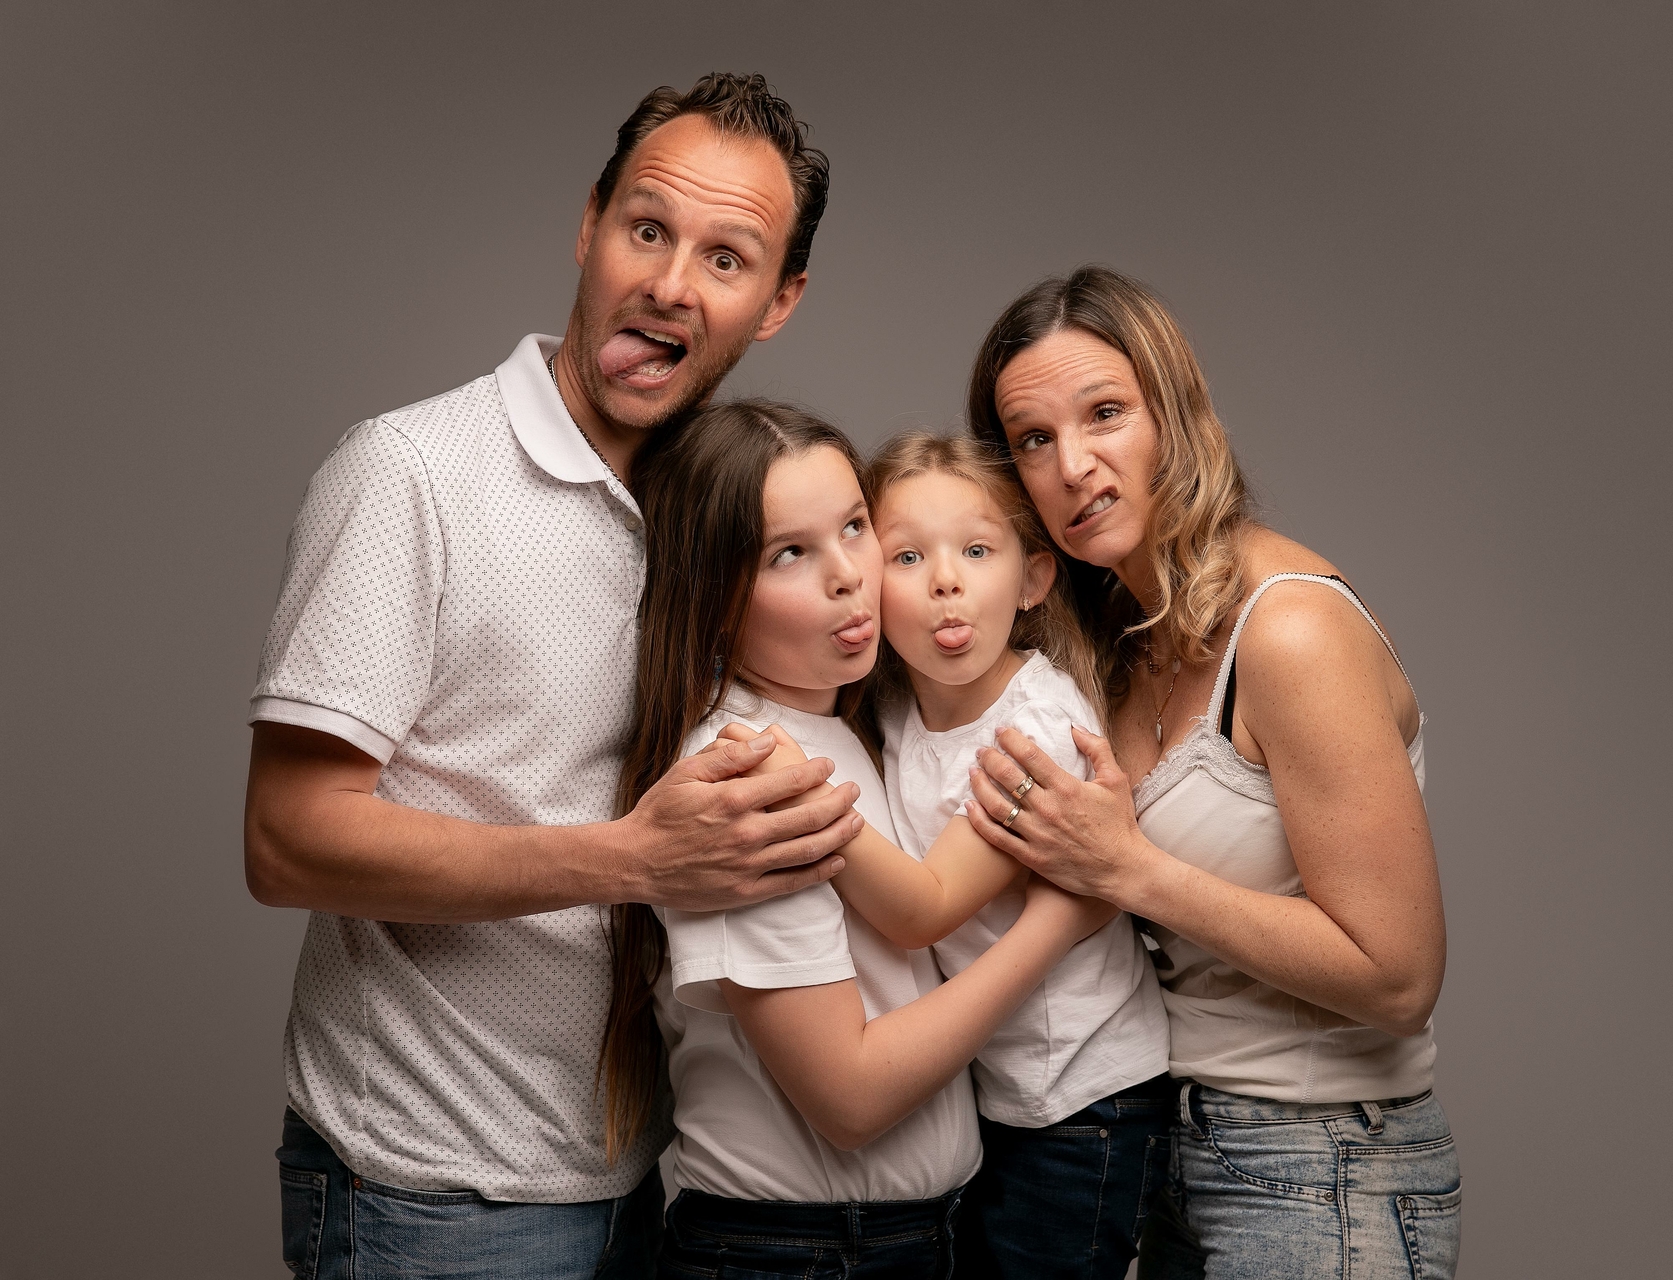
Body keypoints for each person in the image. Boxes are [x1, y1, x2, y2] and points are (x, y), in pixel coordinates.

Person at [243, 74, 858, 1278]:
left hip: (650, 1183)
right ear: (589, 224)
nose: (671, 282)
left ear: (779, 300)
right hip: (432, 1190)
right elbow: (287, 839)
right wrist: (630, 857)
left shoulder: (719, 515)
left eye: (727, 258)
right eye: (647, 228)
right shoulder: (412, 474)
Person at [959, 266, 1463, 1279]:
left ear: (1175, 417)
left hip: (1325, 1164)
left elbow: (1400, 974)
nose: (1074, 464)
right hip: (1168, 1153)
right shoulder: (1113, 640)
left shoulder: (1291, 631)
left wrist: (1130, 868)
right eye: (1033, 440)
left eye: (1106, 413)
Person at [608, 399, 1114, 1278]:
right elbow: (849, 1096)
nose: (851, 575)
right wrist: (1060, 921)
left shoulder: (858, 722)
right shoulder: (754, 777)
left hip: (893, 1237)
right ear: (714, 596)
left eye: (854, 528)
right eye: (790, 553)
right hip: (802, 1252)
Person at [726, 429, 1173, 1277]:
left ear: (1034, 577)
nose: (945, 583)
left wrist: (806, 799)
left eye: (976, 550)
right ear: (867, 586)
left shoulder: (1032, 732)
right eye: (905, 557)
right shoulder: (893, 709)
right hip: (1001, 1093)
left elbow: (923, 907)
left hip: (1086, 1100)